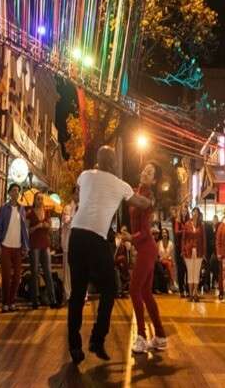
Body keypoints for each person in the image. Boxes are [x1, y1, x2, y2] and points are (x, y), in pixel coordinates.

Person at [67, 146, 151, 365]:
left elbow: (77, 195)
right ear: (113, 163)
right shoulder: (120, 184)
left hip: (76, 236)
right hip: (96, 239)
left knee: (77, 293)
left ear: (97, 160)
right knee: (110, 289)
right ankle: (97, 338)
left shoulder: (84, 175)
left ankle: (75, 346)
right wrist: (151, 197)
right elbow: (141, 203)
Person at [121, 162, 167, 353]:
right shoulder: (135, 191)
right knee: (146, 293)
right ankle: (161, 336)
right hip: (143, 248)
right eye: (145, 170)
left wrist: (132, 237)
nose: (145, 173)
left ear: (154, 180)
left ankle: (141, 336)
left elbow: (147, 232)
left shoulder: (148, 197)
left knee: (134, 289)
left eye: (150, 173)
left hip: (147, 248)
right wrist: (126, 230)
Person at [0, 183, 30, 312]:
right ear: (9, 193)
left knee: (17, 277)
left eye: (17, 191)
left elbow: (24, 230)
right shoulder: (4, 208)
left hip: (18, 247)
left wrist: (26, 246)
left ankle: (12, 301)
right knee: (6, 276)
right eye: (13, 190)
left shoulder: (22, 209)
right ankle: (5, 303)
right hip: (6, 246)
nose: (16, 193)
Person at [27, 191, 58, 309]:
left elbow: (50, 230)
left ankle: (53, 300)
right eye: (38, 199)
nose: (40, 201)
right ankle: (35, 300)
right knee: (34, 272)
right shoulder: (30, 213)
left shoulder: (47, 212)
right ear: (34, 200)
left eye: (41, 199)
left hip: (45, 244)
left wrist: (47, 226)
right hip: (34, 244)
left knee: (48, 272)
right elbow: (27, 231)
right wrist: (37, 227)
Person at [182, 207, 206, 302]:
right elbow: (183, 239)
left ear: (199, 214)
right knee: (190, 272)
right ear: (191, 213)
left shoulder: (201, 225)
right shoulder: (187, 224)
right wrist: (183, 251)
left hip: (199, 251)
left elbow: (204, 239)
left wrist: (204, 252)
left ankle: (195, 293)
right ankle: (190, 294)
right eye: (194, 212)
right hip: (188, 251)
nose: (195, 214)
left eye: (197, 212)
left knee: (196, 273)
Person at [61, 186, 79, 302]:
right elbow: (67, 222)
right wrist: (76, 216)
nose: (78, 196)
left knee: (80, 270)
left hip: (81, 244)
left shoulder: (84, 207)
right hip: (69, 243)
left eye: (79, 193)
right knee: (68, 271)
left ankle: (81, 295)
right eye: (76, 193)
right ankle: (68, 295)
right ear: (72, 195)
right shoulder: (67, 208)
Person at [172, 206, 190, 297]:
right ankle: (181, 290)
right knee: (180, 270)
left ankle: (188, 289)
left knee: (187, 269)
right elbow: (176, 232)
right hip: (179, 248)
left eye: (186, 211)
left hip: (187, 248)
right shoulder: (177, 221)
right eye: (183, 211)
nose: (184, 212)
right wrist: (185, 231)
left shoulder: (188, 221)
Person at [114, 226, 132, 298]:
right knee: (122, 261)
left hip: (124, 263)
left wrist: (125, 240)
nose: (124, 232)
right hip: (116, 261)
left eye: (125, 231)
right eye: (123, 231)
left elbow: (128, 247)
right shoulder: (117, 238)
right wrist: (121, 239)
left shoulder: (127, 241)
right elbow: (117, 245)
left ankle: (121, 291)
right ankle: (119, 291)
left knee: (123, 270)